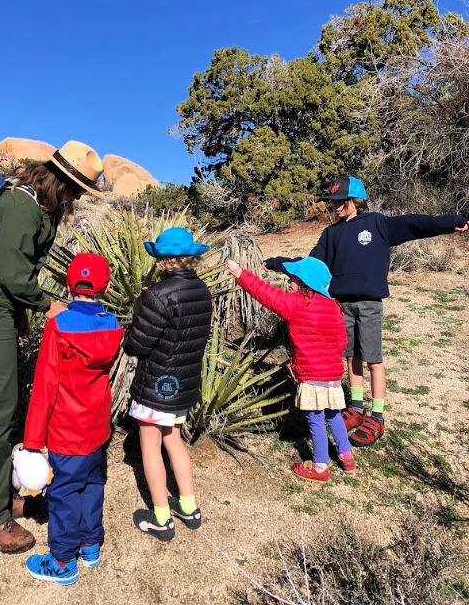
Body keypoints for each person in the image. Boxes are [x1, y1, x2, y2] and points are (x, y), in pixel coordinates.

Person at [0, 141, 105, 553]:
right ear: (60, 180)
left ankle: (2, 497)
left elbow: (13, 269)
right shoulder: (23, 205)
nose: (77, 198)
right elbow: (12, 271)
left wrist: (20, 311)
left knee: (2, 404)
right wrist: (46, 305)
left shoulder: (39, 206)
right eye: (75, 189)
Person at [263, 175, 468, 447]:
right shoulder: (330, 234)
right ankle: (357, 409)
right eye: (332, 202)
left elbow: (415, 223)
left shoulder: (377, 224)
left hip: (370, 306)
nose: (335, 206)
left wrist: (450, 221)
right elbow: (311, 265)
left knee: (373, 359)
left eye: (340, 201)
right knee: (350, 356)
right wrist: (279, 263)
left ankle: (377, 416)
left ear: (355, 201)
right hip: (341, 305)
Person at [22, 253, 123, 585]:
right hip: (97, 427)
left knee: (64, 492)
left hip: (67, 429)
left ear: (69, 283)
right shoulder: (112, 326)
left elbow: (46, 384)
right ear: (104, 286)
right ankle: (89, 544)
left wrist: (33, 441)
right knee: (92, 484)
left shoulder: (59, 325)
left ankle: (63, 561)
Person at [227, 256, 354, 483]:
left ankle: (320, 466)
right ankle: (346, 456)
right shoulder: (334, 307)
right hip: (332, 374)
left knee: (314, 418)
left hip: (311, 375)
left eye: (293, 278)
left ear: (305, 282)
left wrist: (240, 274)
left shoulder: (296, 304)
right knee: (333, 414)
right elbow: (342, 341)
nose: (289, 282)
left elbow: (266, 294)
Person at [124, 227, 212, 541]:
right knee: (174, 440)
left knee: (150, 446)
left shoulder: (159, 295)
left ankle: (161, 518)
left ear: (163, 258)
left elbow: (137, 345)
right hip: (183, 383)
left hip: (157, 384)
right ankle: (189, 507)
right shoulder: (201, 289)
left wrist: (144, 304)